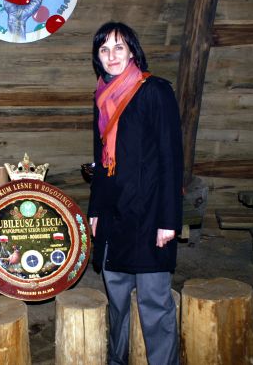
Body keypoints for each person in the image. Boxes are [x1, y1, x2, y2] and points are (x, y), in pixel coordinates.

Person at [87, 22, 183, 365]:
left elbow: (171, 158)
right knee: (116, 302)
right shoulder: (102, 96)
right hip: (113, 216)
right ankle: (118, 360)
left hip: (149, 215)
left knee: (154, 302)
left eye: (119, 47)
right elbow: (101, 160)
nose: (111, 55)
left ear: (132, 52)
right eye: (104, 49)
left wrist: (169, 220)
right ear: (97, 57)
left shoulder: (155, 91)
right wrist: (94, 211)